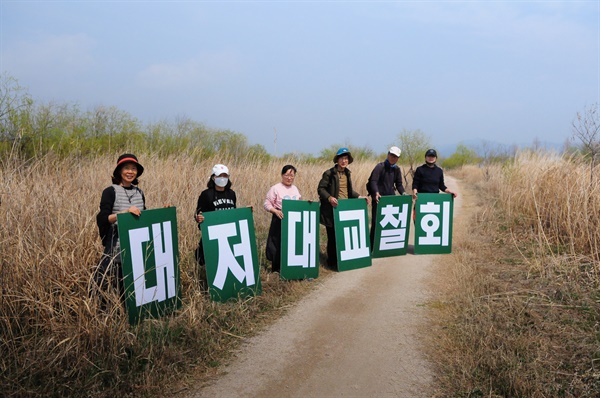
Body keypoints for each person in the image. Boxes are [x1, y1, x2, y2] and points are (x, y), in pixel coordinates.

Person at [94, 153, 146, 303]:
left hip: (135, 248)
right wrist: (122, 214)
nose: (130, 172)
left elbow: (143, 217)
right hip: (115, 246)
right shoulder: (110, 191)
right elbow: (103, 218)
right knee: (105, 283)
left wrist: (163, 213)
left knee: (129, 289)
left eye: (133, 168)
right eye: (126, 168)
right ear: (119, 171)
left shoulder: (139, 192)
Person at [318, 147, 370, 270]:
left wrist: (359, 196)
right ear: (337, 160)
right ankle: (332, 263)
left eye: (346, 159)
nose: (344, 161)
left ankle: (344, 261)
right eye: (342, 158)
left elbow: (348, 191)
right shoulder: (329, 173)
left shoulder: (347, 173)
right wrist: (329, 198)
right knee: (332, 237)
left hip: (345, 210)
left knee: (343, 236)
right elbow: (321, 189)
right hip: (332, 210)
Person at [194, 164, 237, 266]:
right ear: (213, 177)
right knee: (207, 258)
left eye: (225, 176)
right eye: (219, 176)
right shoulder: (206, 194)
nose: (222, 178)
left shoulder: (231, 194)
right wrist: (198, 218)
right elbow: (198, 213)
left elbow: (234, 212)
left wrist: (247, 212)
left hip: (228, 232)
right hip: (212, 233)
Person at [264, 165, 302, 273]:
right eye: (287, 175)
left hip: (293, 220)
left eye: (292, 175)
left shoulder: (295, 189)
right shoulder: (275, 188)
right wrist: (275, 211)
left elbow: (299, 202)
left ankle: (291, 267)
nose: (289, 178)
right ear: (282, 175)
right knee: (277, 243)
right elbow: (266, 204)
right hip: (279, 218)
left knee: (291, 243)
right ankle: (276, 269)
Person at [367, 146, 406, 247]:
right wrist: (375, 192)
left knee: (389, 224)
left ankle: (386, 247)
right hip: (379, 199)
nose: (393, 158)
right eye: (392, 155)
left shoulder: (397, 169)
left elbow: (399, 185)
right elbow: (373, 181)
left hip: (390, 200)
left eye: (396, 156)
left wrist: (404, 194)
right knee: (376, 223)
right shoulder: (380, 167)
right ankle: (372, 247)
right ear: (388, 154)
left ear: (398, 158)